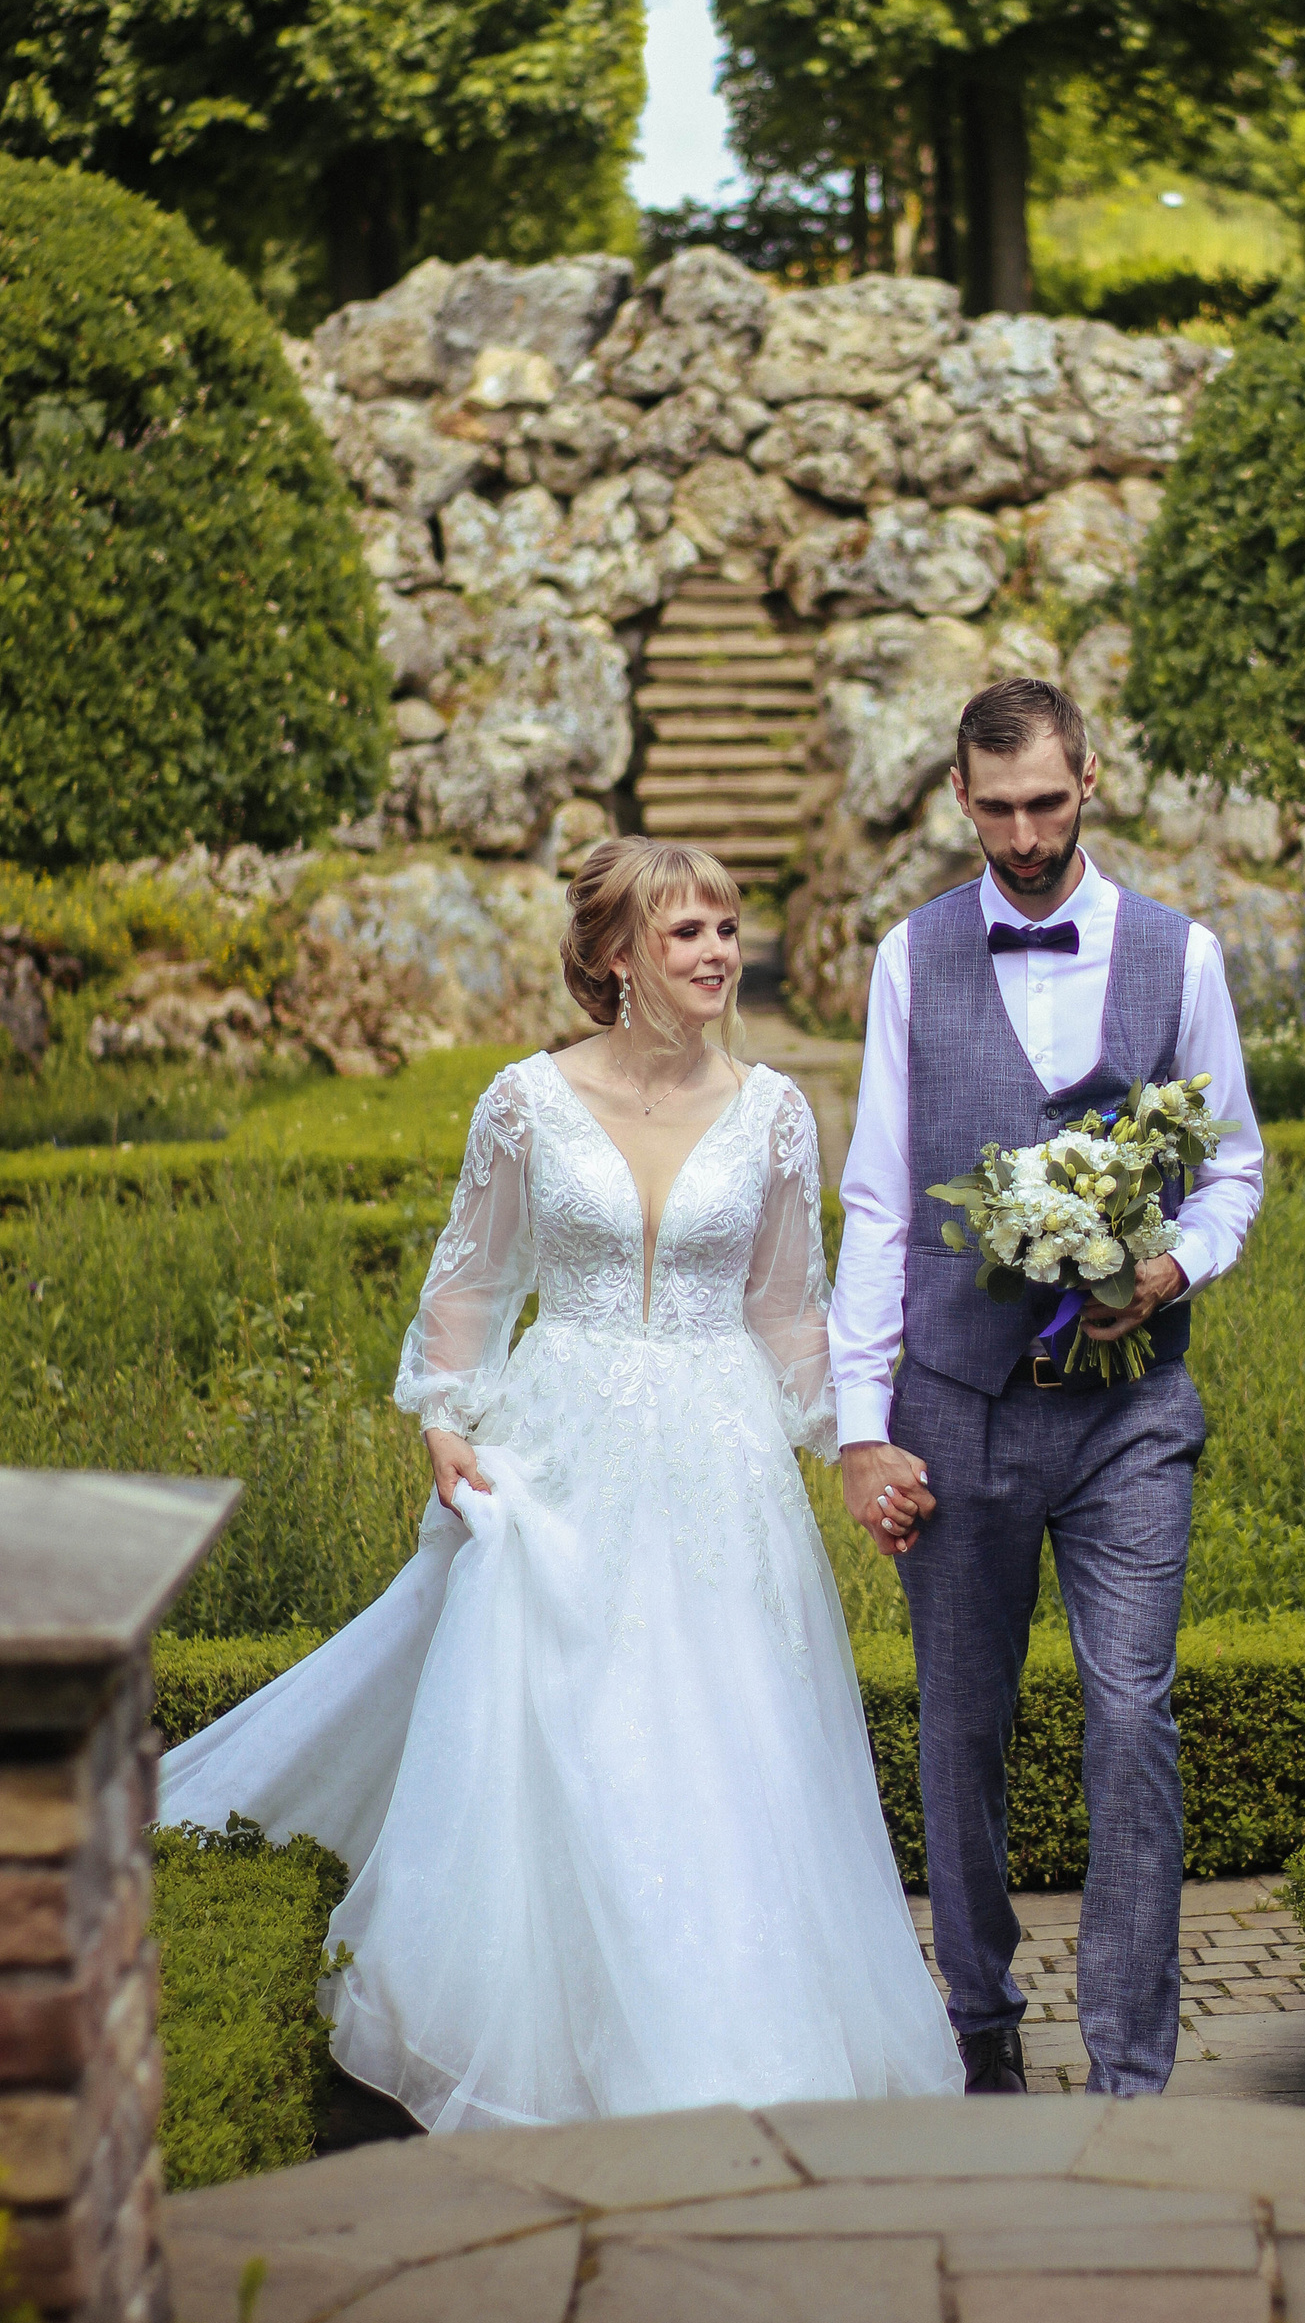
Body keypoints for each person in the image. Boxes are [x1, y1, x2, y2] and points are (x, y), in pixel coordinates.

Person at [161, 838, 962, 2131]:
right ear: (617, 955)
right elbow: (472, 1279)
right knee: (568, 1734)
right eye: (689, 932)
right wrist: (446, 1418)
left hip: (718, 1468)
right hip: (562, 1452)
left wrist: (857, 1445)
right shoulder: (524, 1100)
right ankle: (555, 2045)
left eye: (727, 929)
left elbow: (786, 1311)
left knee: (724, 1740)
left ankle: (730, 2041)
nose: (719, 953)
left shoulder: (772, 1112)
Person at [830, 679, 1265, 2099]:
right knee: (962, 1727)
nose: (1023, 837)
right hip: (957, 1407)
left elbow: (1235, 1166)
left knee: (1132, 1716)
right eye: (997, 808)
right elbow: (880, 1204)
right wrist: (859, 1428)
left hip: (1129, 1415)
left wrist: (1176, 1266)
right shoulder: (910, 958)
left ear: (1091, 781)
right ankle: (981, 2020)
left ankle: (1135, 2071)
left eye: (1047, 803)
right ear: (960, 797)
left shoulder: (1182, 956)